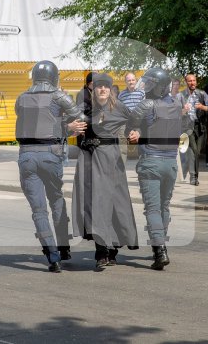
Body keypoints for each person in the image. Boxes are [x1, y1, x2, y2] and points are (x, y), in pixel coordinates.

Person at [15, 60, 87, 273]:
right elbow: (81, 119)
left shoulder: (22, 98)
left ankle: (52, 255)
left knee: (38, 210)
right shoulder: (58, 96)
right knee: (56, 199)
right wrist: (66, 125)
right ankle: (63, 247)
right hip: (50, 155)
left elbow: (31, 122)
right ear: (54, 76)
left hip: (26, 156)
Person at [72, 73, 138, 270]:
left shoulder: (119, 107)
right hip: (89, 158)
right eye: (99, 86)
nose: (102, 89)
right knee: (95, 205)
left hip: (112, 158)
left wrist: (135, 132)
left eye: (105, 87)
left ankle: (113, 249)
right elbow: (67, 126)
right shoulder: (85, 108)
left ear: (110, 90)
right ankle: (101, 252)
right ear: (94, 88)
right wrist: (71, 128)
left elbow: (136, 122)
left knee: (116, 204)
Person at [127, 67, 182, 271]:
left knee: (152, 208)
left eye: (149, 83)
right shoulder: (177, 104)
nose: (146, 86)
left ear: (157, 86)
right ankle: (161, 242)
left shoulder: (146, 104)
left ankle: (159, 250)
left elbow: (130, 125)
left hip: (151, 160)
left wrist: (137, 131)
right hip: (171, 162)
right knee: (164, 206)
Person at [180, 73, 208, 185]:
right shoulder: (181, 96)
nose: (192, 83)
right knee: (193, 151)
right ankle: (193, 177)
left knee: (197, 153)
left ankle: (191, 173)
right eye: (190, 81)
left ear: (196, 82)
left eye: (194, 80)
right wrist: (183, 110)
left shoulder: (202, 94)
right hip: (187, 127)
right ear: (186, 82)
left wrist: (202, 107)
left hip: (200, 127)